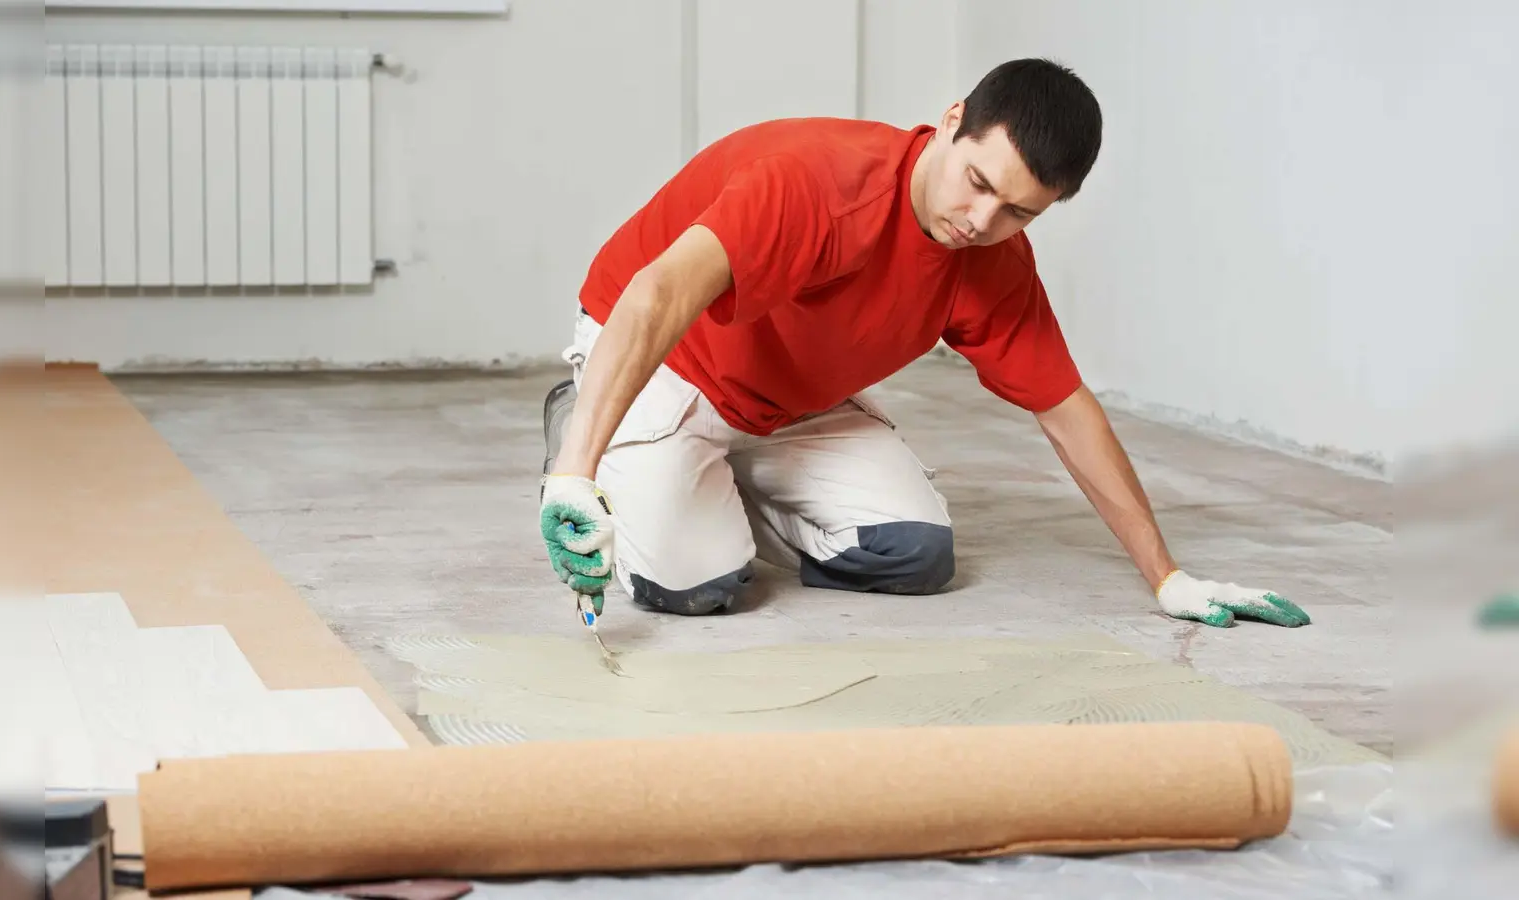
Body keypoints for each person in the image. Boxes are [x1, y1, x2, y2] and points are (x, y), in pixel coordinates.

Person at [537, 58, 1311, 630]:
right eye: (976, 181)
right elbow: (657, 294)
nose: (981, 220)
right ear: (950, 121)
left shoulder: (990, 261)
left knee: (914, 555)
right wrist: (576, 475)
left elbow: (1066, 409)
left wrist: (1166, 576)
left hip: (791, 397)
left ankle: (709, 484)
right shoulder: (817, 184)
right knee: (699, 587)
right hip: (667, 361)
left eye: (1018, 212)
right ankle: (588, 426)